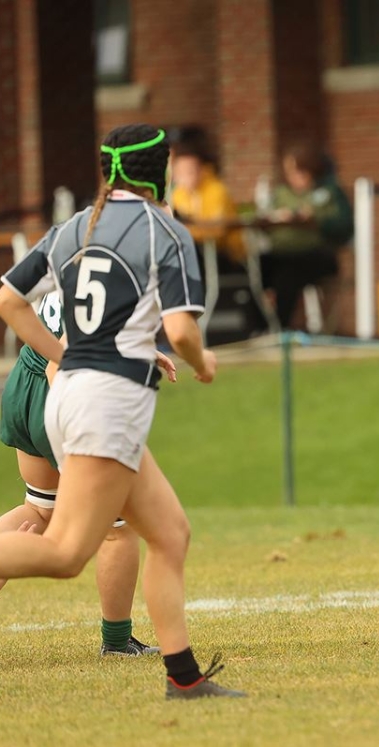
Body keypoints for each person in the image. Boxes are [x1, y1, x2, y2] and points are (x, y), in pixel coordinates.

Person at [0, 123, 246, 699]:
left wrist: (68, 353)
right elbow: (183, 328)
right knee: (65, 553)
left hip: (70, 393)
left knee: (170, 533)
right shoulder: (166, 230)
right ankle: (176, 674)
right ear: (157, 171)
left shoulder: (75, 225)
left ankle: (183, 678)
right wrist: (202, 361)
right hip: (105, 406)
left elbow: (9, 298)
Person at [0, 290, 167, 657]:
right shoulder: (119, 265)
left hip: (24, 384)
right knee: (117, 525)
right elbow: (60, 363)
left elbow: (12, 300)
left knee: (42, 511)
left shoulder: (74, 246)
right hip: (59, 389)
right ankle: (118, 643)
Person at [257, 142, 353, 329]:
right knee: (250, 271)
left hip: (316, 255)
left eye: (298, 171)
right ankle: (256, 327)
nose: (293, 177)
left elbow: (344, 227)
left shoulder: (329, 192)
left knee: (288, 274)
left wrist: (315, 220)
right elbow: (264, 222)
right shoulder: (281, 194)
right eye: (289, 172)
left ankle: (279, 330)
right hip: (280, 254)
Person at [168, 140, 247, 266]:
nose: (184, 176)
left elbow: (216, 230)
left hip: (224, 251)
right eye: (180, 172)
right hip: (196, 248)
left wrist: (185, 231)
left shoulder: (217, 190)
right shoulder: (178, 193)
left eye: (190, 170)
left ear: (200, 169)